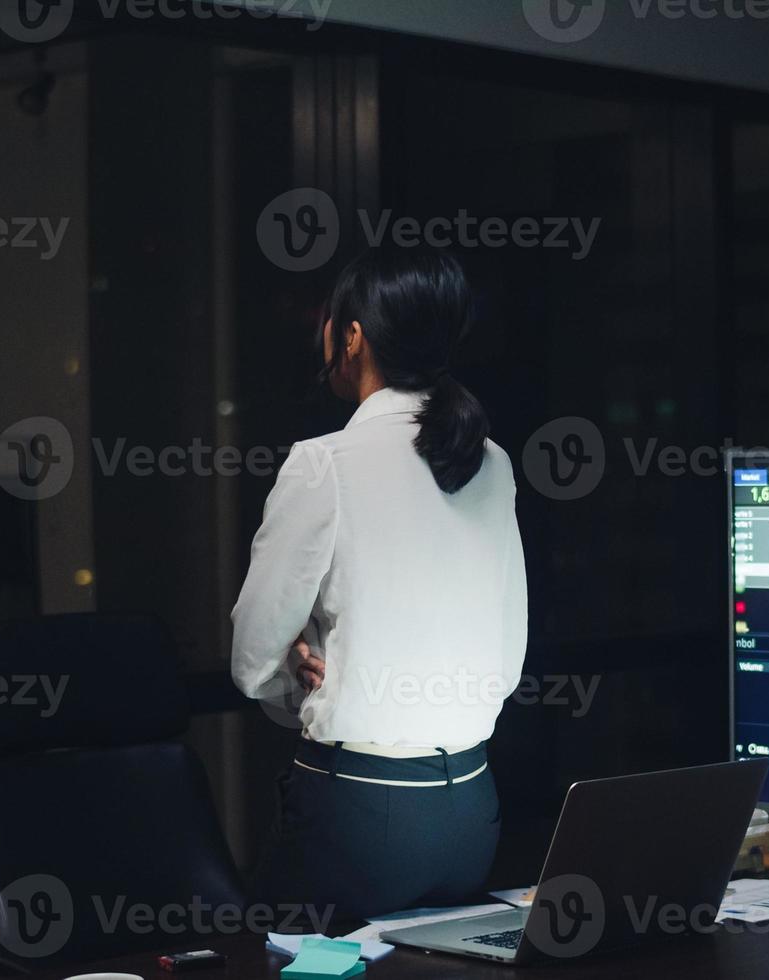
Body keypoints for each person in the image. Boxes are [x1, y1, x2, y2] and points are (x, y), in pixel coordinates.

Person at [231, 246, 528, 922]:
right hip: (471, 809)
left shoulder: (324, 465)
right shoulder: (491, 461)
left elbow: (252, 659)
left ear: (354, 337)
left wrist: (301, 679)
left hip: (361, 809)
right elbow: (506, 658)